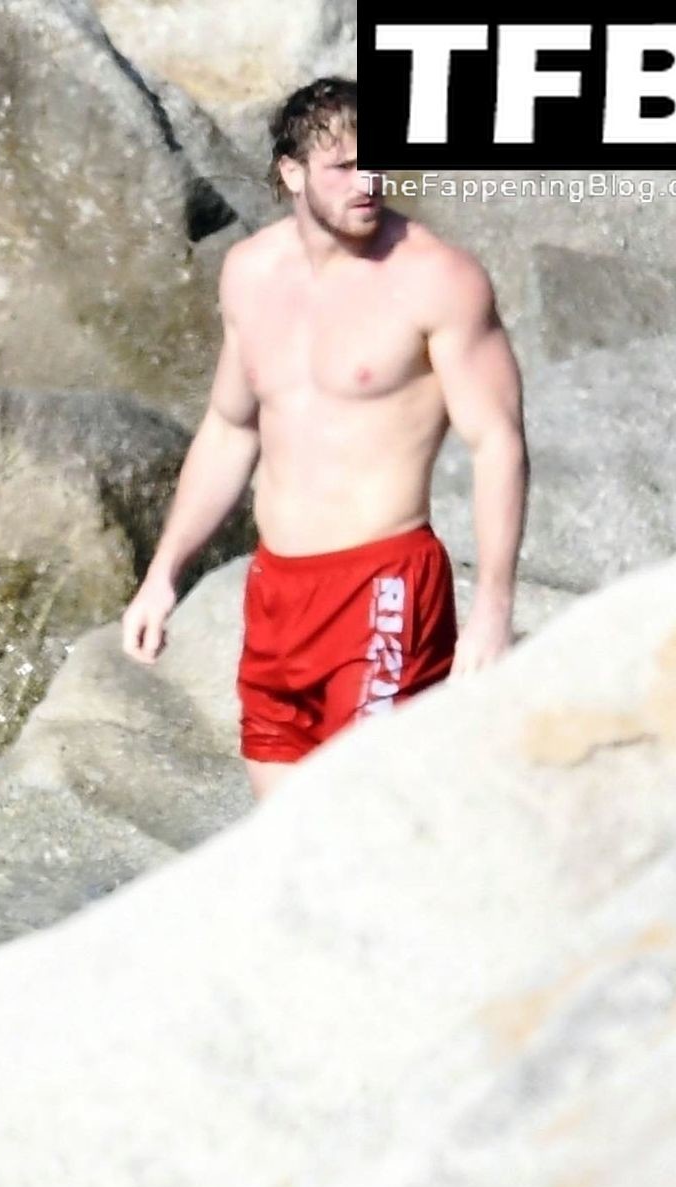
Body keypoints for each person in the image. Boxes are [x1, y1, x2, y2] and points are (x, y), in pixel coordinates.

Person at [119, 77, 528, 801]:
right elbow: (230, 428)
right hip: (278, 588)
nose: (367, 183)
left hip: (384, 581)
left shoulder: (436, 278)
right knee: (282, 827)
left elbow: (497, 441)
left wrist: (493, 608)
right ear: (291, 172)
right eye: (342, 167)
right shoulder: (250, 274)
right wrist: (163, 574)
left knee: (360, 809)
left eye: (377, 163)